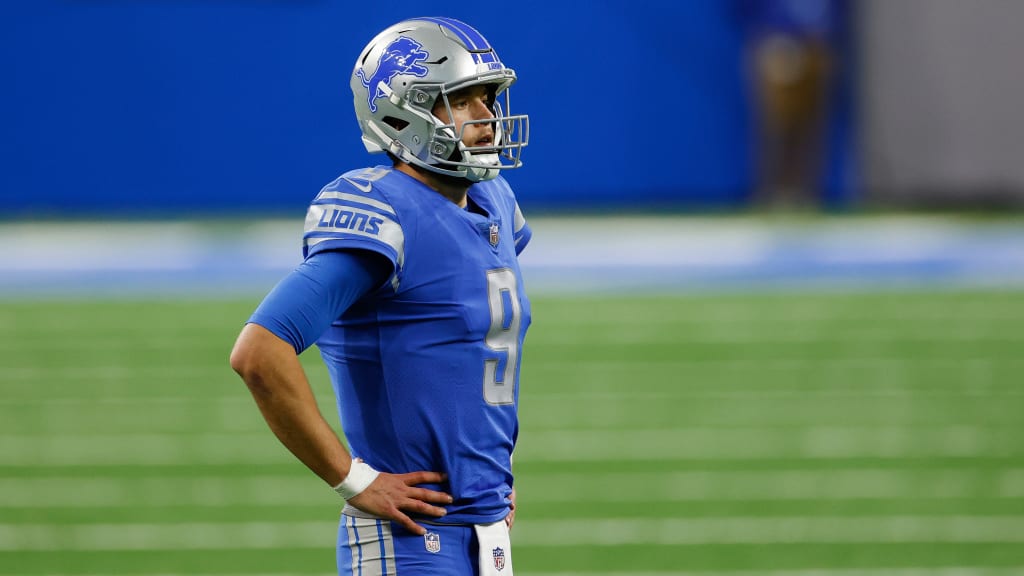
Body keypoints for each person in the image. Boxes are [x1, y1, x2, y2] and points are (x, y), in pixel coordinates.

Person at [229, 16, 531, 576]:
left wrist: (489, 478)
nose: (487, 116)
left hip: (484, 535)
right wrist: (355, 479)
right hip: (411, 543)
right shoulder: (384, 214)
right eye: (461, 99)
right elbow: (258, 352)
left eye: (487, 97)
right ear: (403, 112)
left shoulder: (494, 204)